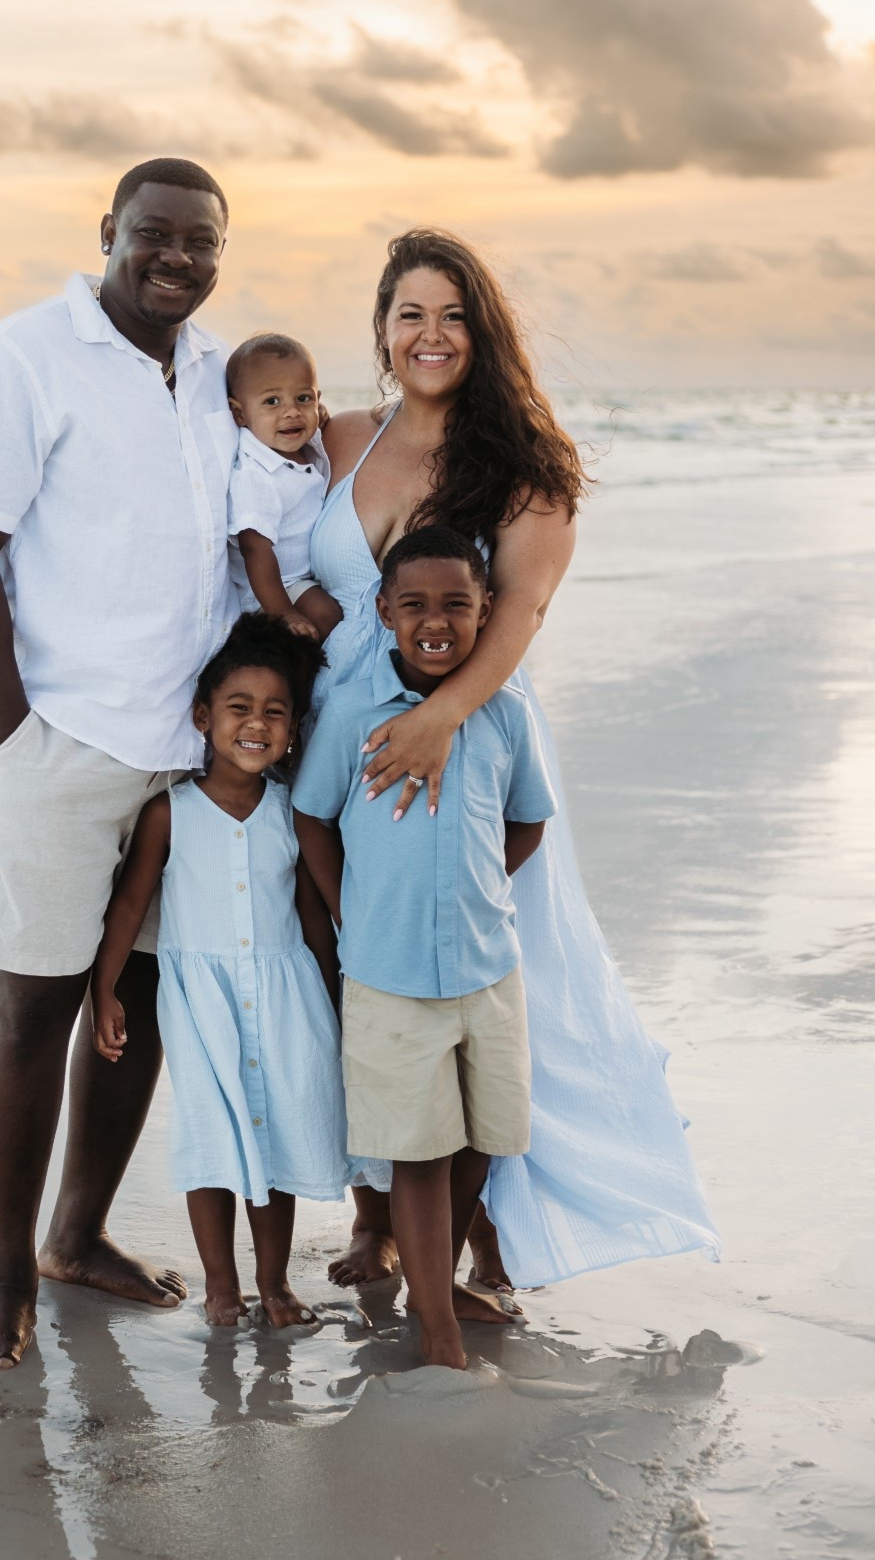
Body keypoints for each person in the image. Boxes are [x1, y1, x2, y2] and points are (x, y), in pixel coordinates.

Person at [308, 227, 720, 1296]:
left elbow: (522, 608)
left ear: (481, 333)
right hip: (339, 742)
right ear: (381, 329)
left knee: (490, 975)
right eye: (409, 313)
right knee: (356, 966)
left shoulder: (526, 471)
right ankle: (377, 1214)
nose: (429, 333)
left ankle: (493, 1226)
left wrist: (439, 718)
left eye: (452, 314)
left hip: (467, 743)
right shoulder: (338, 437)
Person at [0, 157, 239, 1371]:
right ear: (108, 231)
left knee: (140, 998)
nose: (178, 257)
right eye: (155, 234)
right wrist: (14, 730)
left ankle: (79, 1231)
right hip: (64, 744)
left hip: (185, 756)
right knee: (37, 1004)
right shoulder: (19, 358)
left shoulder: (218, 373)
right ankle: (4, 1272)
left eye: (201, 241)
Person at [294, 528, 557, 1369]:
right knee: (417, 1149)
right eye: (415, 605)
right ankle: (437, 1330)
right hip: (389, 973)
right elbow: (312, 816)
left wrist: (477, 891)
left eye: (456, 604)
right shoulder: (351, 712)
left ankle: (432, 1285)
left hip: (487, 966)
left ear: (486, 611)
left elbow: (528, 819)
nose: (436, 622)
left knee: (482, 1139)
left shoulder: (505, 713)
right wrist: (350, 913)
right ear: (384, 612)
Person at [91, 614, 346, 1328]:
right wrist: (102, 988)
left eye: (275, 712)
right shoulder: (168, 814)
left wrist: (335, 998)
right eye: (239, 708)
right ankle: (220, 1287)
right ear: (204, 717)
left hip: (286, 995)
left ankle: (274, 1285)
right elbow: (131, 904)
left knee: (278, 1138)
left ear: (294, 728)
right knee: (212, 1136)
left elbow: (313, 915)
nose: (256, 724)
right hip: (200, 1002)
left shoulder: (293, 812)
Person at [225, 333, 343, 641]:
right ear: (240, 413)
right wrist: (282, 612)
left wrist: (319, 418)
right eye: (272, 401)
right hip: (274, 587)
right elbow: (255, 549)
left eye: (303, 398)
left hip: (300, 577)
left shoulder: (299, 443)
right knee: (325, 616)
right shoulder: (257, 475)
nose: (291, 411)